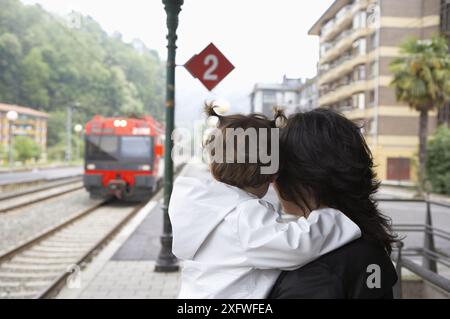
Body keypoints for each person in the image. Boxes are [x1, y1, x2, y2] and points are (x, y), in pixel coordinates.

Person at [168, 104, 361, 299]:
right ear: (272, 175)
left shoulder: (204, 205)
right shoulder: (242, 217)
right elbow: (296, 246)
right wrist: (334, 217)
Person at [268, 108, 398, 299]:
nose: (272, 180)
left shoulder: (314, 273)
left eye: (276, 170)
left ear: (306, 177)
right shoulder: (368, 240)